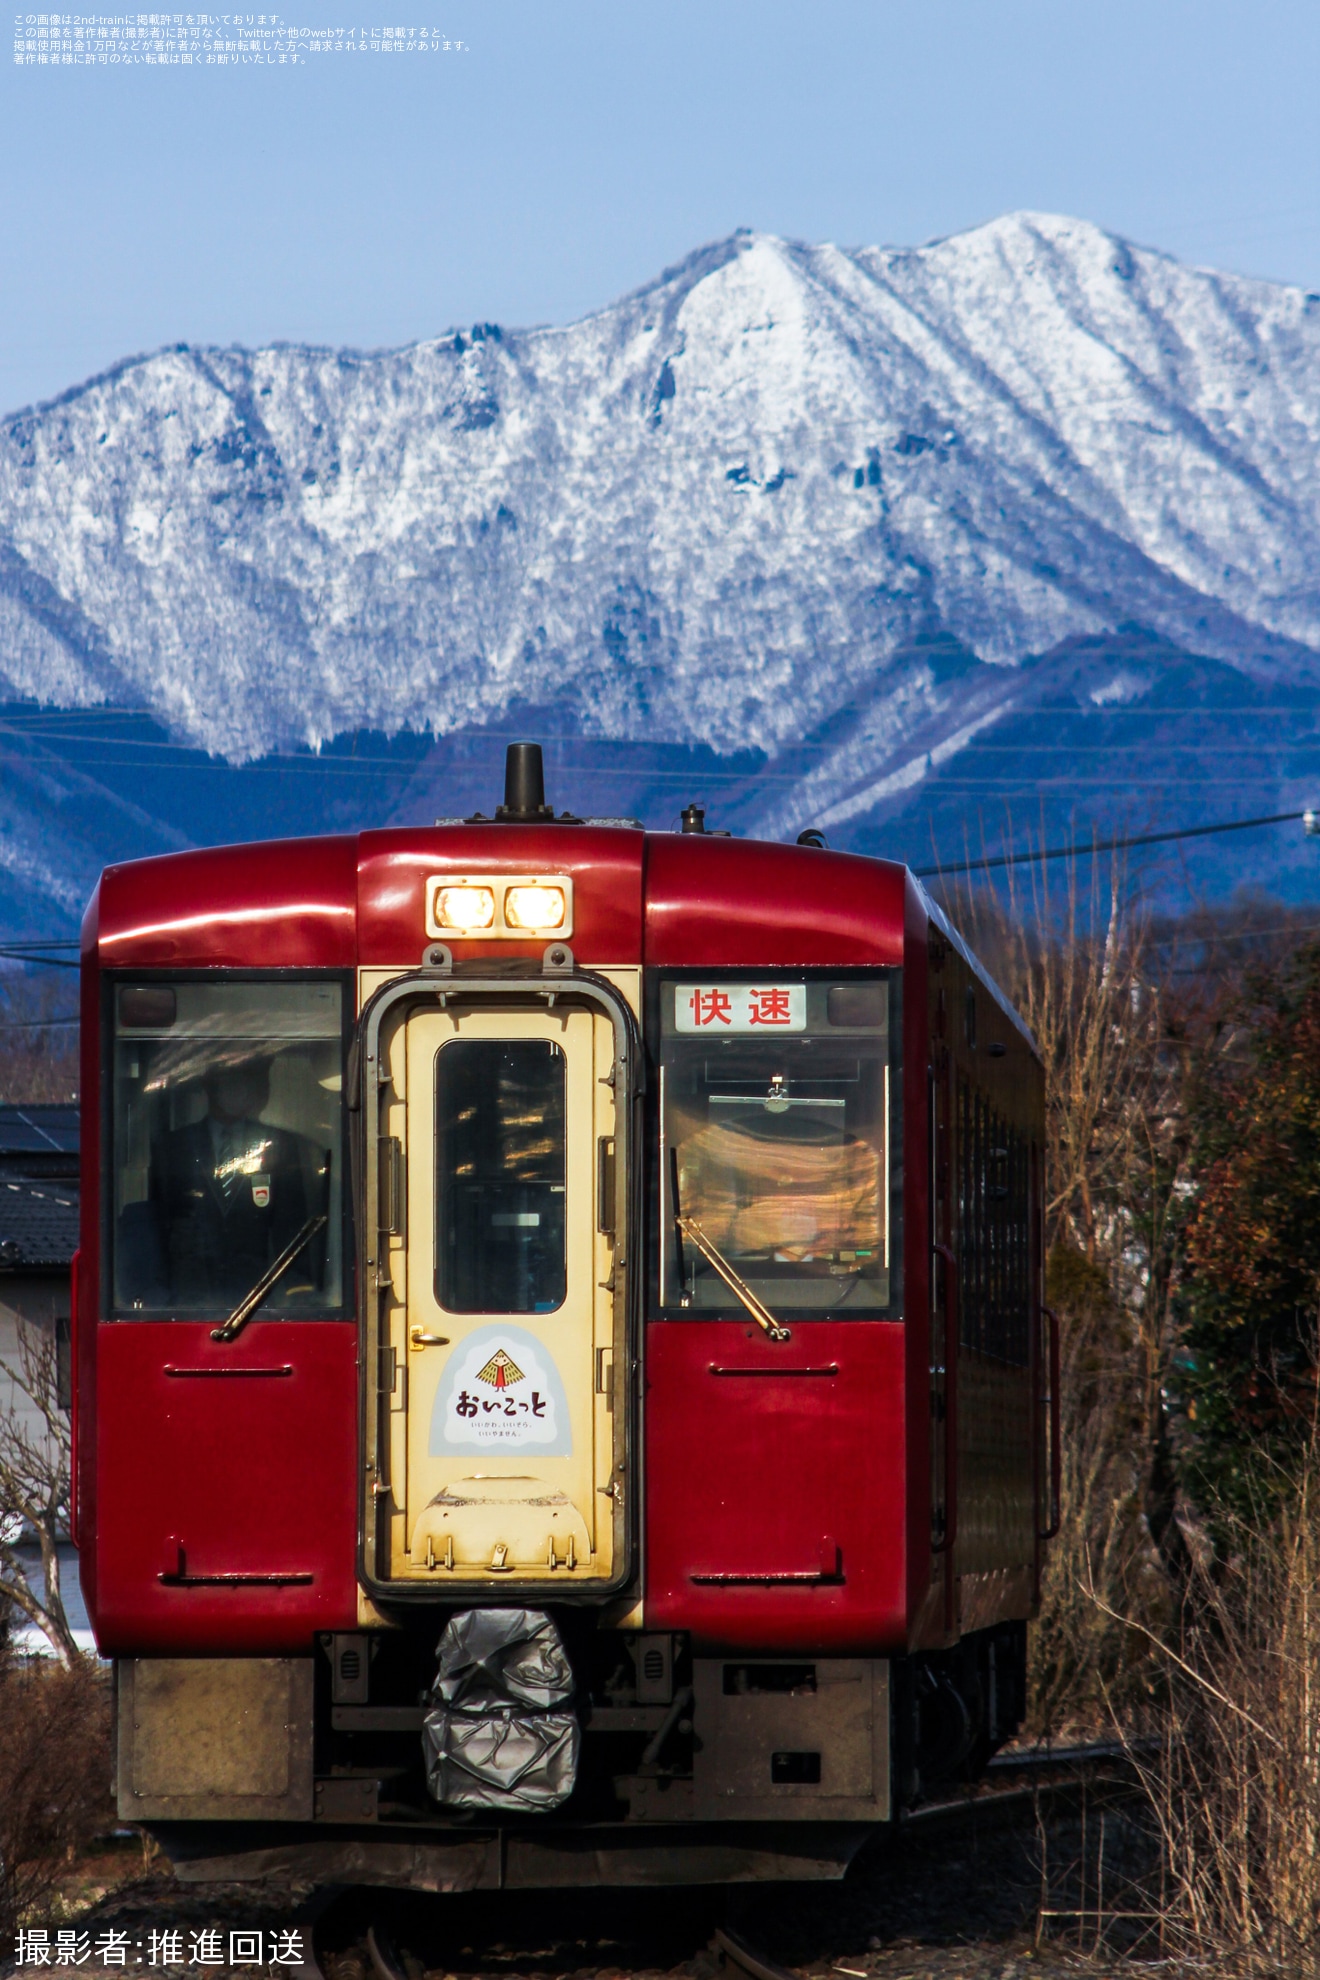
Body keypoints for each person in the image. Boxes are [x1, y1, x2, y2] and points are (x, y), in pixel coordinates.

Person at [120, 1055, 328, 1313]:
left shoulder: (281, 1146)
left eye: (245, 1078)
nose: (237, 1086)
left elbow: (293, 1226)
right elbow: (160, 1226)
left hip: (258, 1301)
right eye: (228, 1077)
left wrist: (298, 1294)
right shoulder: (173, 1147)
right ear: (209, 1083)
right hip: (187, 1301)